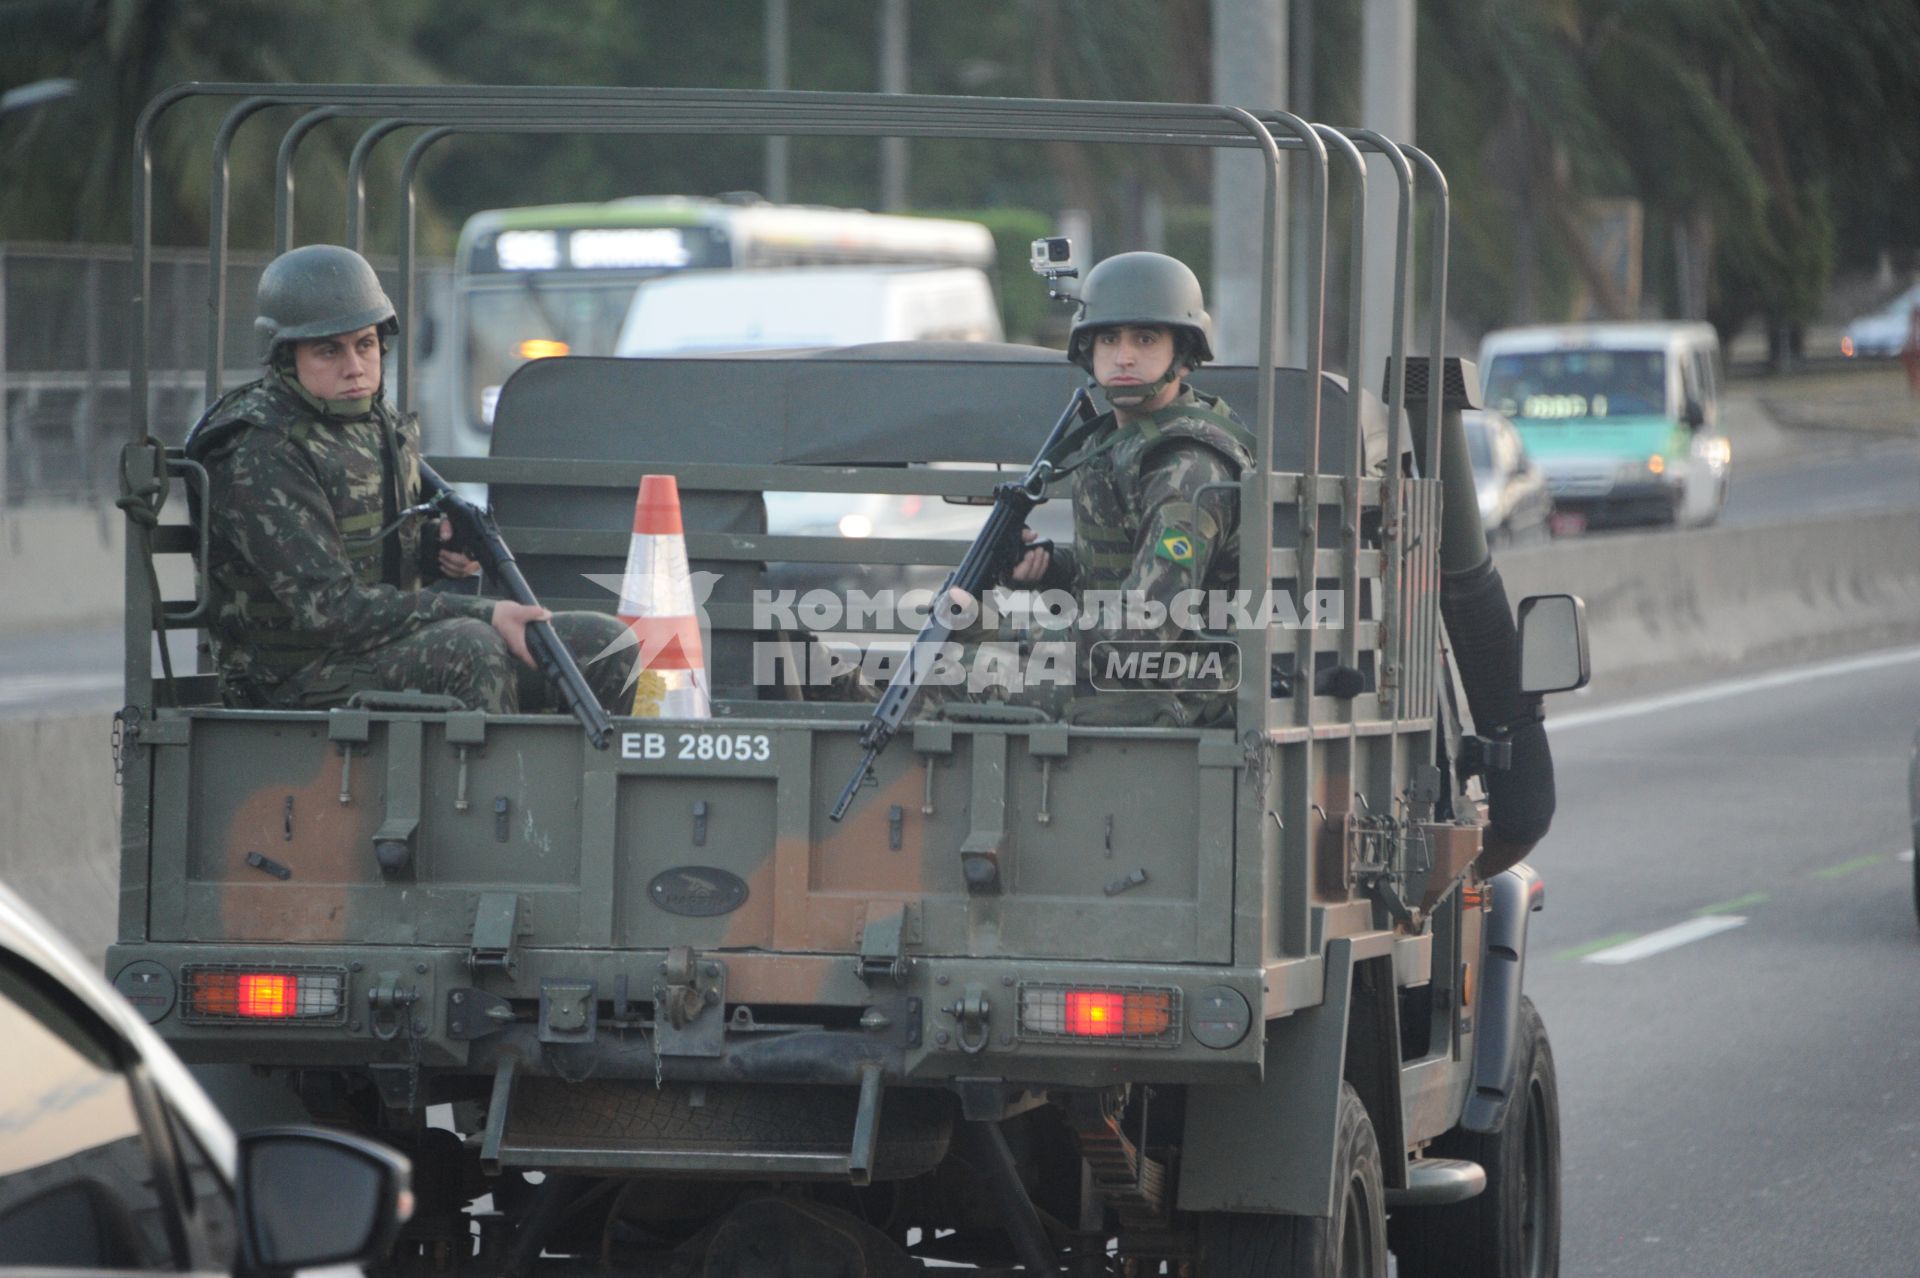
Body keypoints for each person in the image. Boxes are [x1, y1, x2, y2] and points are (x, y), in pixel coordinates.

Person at [186, 244, 631, 714]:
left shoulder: (376, 424)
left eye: (365, 344)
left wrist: (436, 555)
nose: (355, 366)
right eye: (327, 350)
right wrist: (486, 612)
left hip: (376, 650)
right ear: (284, 357)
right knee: (471, 648)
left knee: (606, 645)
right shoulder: (262, 450)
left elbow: (376, 560)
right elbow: (332, 609)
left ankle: (575, 786)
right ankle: (491, 789)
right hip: (295, 679)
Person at [1002, 251, 1256, 726]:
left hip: (1178, 692)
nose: (1123, 356)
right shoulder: (1122, 443)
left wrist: (1013, 635)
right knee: (955, 665)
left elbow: (1143, 628)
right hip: (1126, 678)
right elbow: (1126, 568)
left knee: (965, 675)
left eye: (1145, 338)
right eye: (1108, 338)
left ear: (1183, 355)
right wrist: (1049, 569)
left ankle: (849, 690)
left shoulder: (1189, 465)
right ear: (1087, 350)